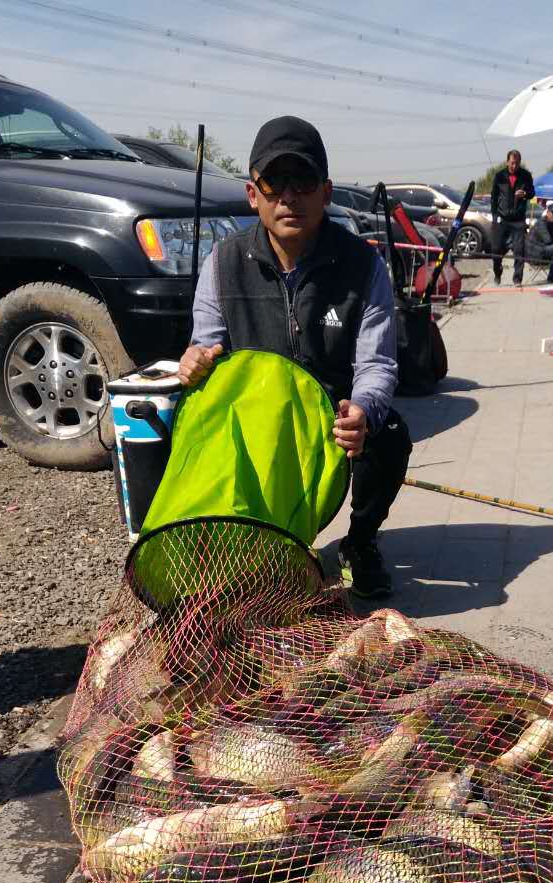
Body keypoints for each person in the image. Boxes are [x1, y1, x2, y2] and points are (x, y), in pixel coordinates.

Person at [177, 116, 407, 597]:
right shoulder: (221, 262)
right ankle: (233, 543)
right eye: (274, 182)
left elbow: (377, 364)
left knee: (388, 433)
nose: (288, 195)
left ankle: (360, 542)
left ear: (325, 193)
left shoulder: (364, 265)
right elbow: (205, 347)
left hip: (330, 419)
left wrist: (362, 409)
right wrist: (194, 361)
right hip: (259, 423)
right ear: (252, 193)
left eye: (302, 181)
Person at [490, 150, 535, 285]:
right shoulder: (499, 176)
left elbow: (532, 193)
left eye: (516, 163)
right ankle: (497, 272)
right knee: (496, 249)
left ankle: (517, 279)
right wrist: (494, 216)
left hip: (518, 219)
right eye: (512, 163)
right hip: (502, 219)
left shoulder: (526, 175)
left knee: (519, 250)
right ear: (507, 162)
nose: (514, 166)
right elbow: (493, 198)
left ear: (519, 163)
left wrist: (525, 194)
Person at [526, 201, 553, 282]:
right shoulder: (541, 223)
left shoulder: (549, 223)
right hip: (535, 255)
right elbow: (549, 241)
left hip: (541, 251)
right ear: (548, 213)